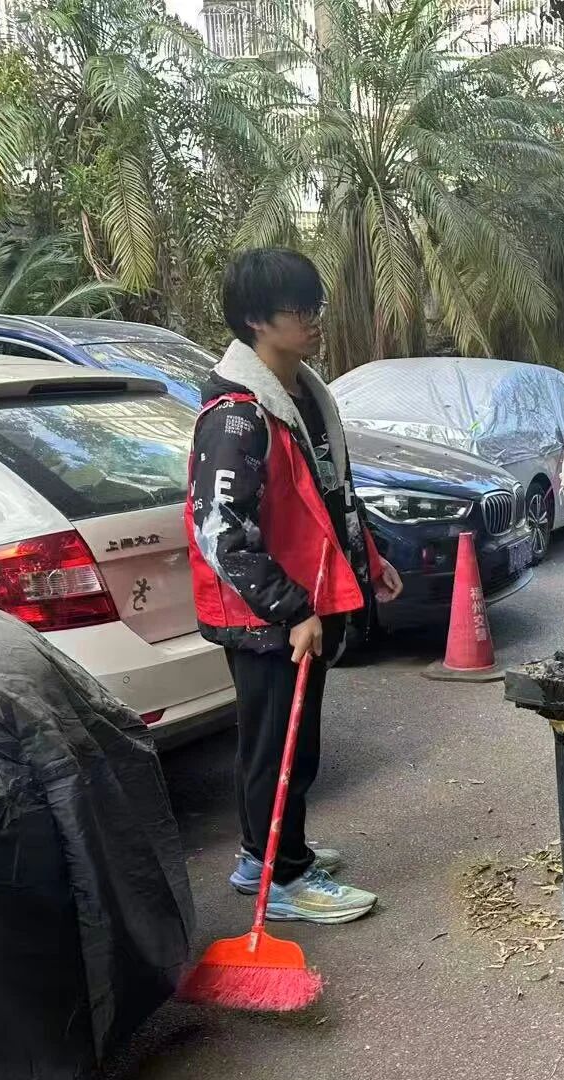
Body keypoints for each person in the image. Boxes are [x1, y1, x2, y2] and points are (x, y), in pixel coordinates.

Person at [187, 248, 402, 923]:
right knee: (275, 747)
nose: (313, 319)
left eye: (315, 305)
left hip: (305, 602)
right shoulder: (237, 415)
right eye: (298, 309)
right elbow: (220, 530)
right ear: (256, 319)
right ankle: (281, 878)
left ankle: (268, 856)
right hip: (268, 615)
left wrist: (367, 557)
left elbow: (328, 494)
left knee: (293, 741)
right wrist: (291, 609)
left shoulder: (303, 395)